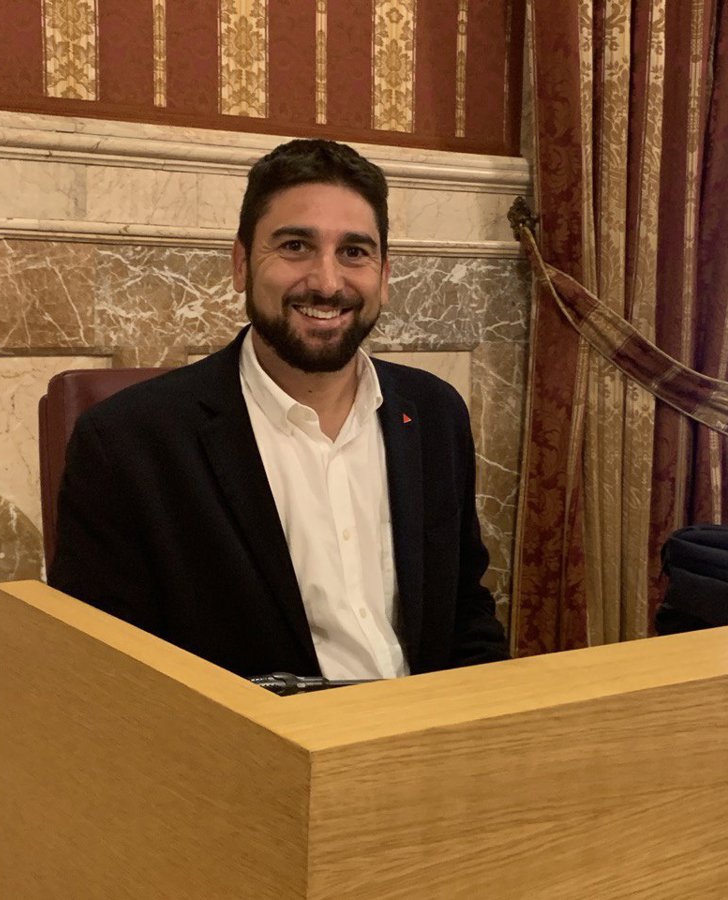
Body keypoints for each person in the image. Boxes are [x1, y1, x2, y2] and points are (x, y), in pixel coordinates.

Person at [48, 139, 509, 679]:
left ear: (384, 276)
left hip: (422, 724)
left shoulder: (434, 413)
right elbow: (105, 672)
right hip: (245, 732)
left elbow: (464, 612)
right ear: (241, 264)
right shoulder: (128, 442)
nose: (327, 282)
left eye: (354, 252)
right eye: (295, 246)